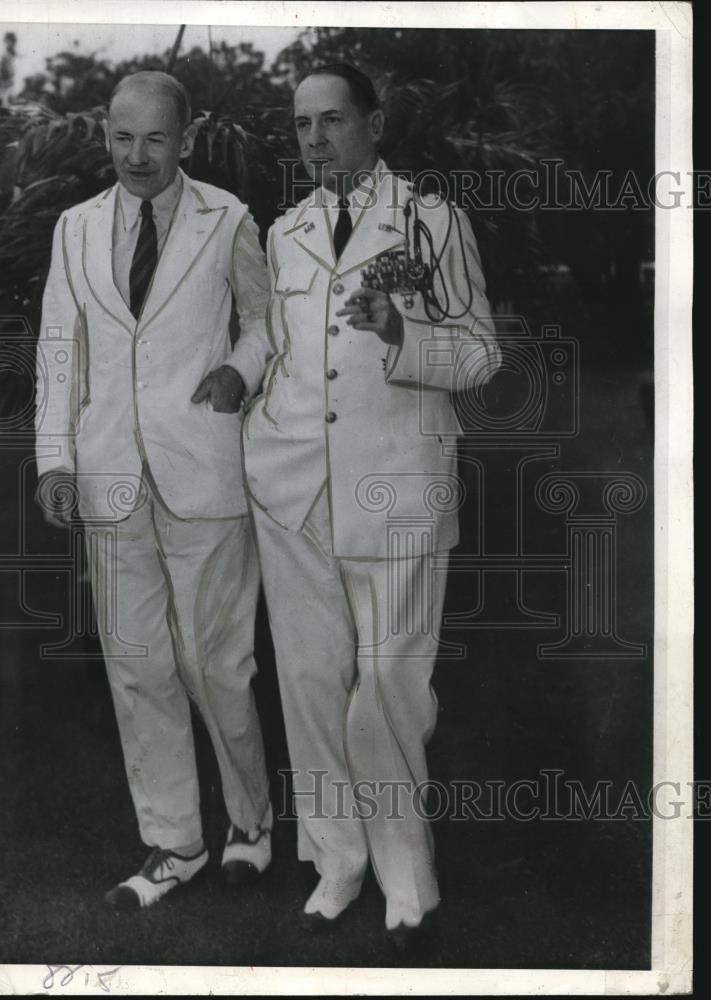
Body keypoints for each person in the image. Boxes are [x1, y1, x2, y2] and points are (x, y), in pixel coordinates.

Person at [241, 63, 502, 947]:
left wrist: (404, 335)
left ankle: (407, 876)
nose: (316, 141)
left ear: (376, 124)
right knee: (311, 684)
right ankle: (339, 858)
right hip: (294, 492)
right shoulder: (285, 233)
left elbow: (479, 357)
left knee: (390, 686)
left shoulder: (434, 222)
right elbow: (276, 352)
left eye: (333, 121)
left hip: (397, 486)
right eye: (301, 126)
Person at [34, 71, 273, 910]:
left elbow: (263, 321)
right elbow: (60, 349)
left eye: (157, 139)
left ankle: (252, 823)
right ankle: (174, 843)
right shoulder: (76, 228)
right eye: (123, 137)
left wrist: (238, 371)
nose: (138, 157)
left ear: (189, 138)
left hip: (204, 472)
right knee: (137, 669)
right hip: (109, 479)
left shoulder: (229, 219)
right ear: (106, 135)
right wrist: (55, 459)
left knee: (216, 665)